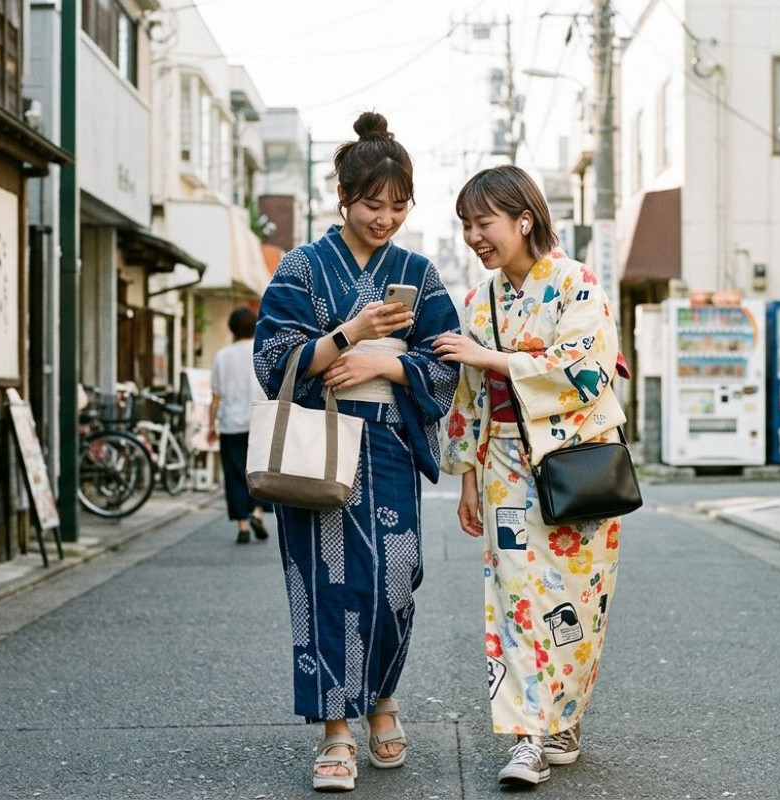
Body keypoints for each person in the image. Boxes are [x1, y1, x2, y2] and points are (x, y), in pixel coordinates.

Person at [252, 111, 461, 792]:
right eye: (374, 204)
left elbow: (443, 360)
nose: (386, 218)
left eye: (399, 206)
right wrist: (349, 335)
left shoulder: (419, 272)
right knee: (327, 586)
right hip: (324, 447)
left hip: (391, 444)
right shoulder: (302, 266)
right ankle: (336, 732)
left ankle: (382, 700)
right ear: (342, 196)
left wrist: (395, 366)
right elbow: (274, 358)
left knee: (398, 581)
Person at [434, 165, 629, 788]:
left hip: (575, 464)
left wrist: (492, 358)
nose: (474, 236)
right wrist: (466, 477)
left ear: (524, 219)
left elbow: (587, 371)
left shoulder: (577, 285)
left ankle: (563, 718)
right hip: (505, 469)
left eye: (483, 222)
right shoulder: (477, 302)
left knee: (580, 603)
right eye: (465, 225)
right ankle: (527, 739)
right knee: (516, 599)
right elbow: (469, 398)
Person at [207, 306, 273, 544]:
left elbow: (216, 397)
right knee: (260, 472)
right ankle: (257, 512)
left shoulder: (222, 356)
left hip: (230, 424)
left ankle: (243, 525)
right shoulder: (260, 351)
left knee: (235, 475)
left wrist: (211, 425)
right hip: (260, 421)